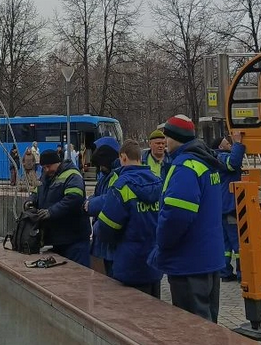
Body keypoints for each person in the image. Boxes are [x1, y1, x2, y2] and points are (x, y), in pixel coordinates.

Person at [148, 114, 226, 323]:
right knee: (208, 325)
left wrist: (162, 245)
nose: (164, 142)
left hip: (188, 262)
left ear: (174, 137)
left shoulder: (185, 167)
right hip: (208, 259)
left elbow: (176, 217)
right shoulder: (206, 162)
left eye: (166, 137)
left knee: (193, 328)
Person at [93, 139, 163, 297]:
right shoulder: (158, 182)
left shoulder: (121, 185)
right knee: (155, 313)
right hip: (154, 263)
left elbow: (106, 227)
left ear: (123, 157)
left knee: (131, 315)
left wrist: (96, 228)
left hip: (129, 264)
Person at [25, 149, 90, 267]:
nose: (46, 170)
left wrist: (51, 212)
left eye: (49, 166)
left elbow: (74, 199)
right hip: (57, 238)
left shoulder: (72, 175)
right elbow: (36, 191)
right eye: (43, 167)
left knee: (79, 275)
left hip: (74, 239)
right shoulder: (45, 176)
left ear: (57, 162)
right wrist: (30, 201)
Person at [84, 137, 121, 276]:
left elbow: (110, 200)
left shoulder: (115, 176)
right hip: (105, 241)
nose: (99, 169)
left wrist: (90, 204)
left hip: (109, 241)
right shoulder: (107, 175)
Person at [214, 131, 246, 282]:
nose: (230, 144)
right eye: (228, 143)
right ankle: (243, 273)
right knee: (238, 242)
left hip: (223, 206)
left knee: (225, 244)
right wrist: (239, 143)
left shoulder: (216, 157)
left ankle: (225, 272)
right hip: (229, 206)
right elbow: (233, 163)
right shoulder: (221, 157)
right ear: (220, 146)